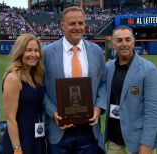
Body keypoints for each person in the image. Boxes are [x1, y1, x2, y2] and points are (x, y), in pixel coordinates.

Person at [43, 6, 106, 154]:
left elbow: (103, 83)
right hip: (59, 129)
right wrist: (53, 113)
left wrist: (98, 107)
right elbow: (40, 88)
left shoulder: (97, 51)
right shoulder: (47, 53)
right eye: (72, 23)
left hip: (89, 130)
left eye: (80, 23)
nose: (77, 27)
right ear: (62, 26)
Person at [104, 25, 157, 154]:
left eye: (128, 39)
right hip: (114, 141)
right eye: (119, 40)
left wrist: (147, 144)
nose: (124, 44)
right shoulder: (108, 68)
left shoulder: (149, 70)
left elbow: (153, 111)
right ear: (112, 44)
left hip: (137, 142)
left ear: (134, 41)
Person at [1, 33, 46, 154]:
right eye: (29, 50)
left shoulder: (36, 76)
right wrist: (17, 148)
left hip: (37, 137)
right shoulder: (13, 78)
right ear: (20, 52)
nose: (34, 55)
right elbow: (10, 118)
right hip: (20, 140)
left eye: (36, 51)